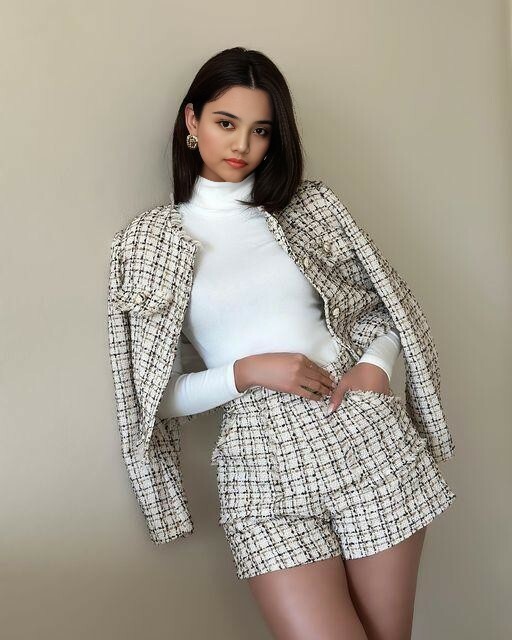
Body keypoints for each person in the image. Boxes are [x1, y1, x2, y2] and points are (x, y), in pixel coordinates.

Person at [108, 46, 456, 639]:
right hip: (258, 463)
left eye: (261, 130)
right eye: (226, 123)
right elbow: (151, 400)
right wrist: (247, 371)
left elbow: (381, 304)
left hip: (360, 429)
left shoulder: (310, 208)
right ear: (192, 121)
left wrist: (374, 369)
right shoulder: (146, 244)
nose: (242, 144)